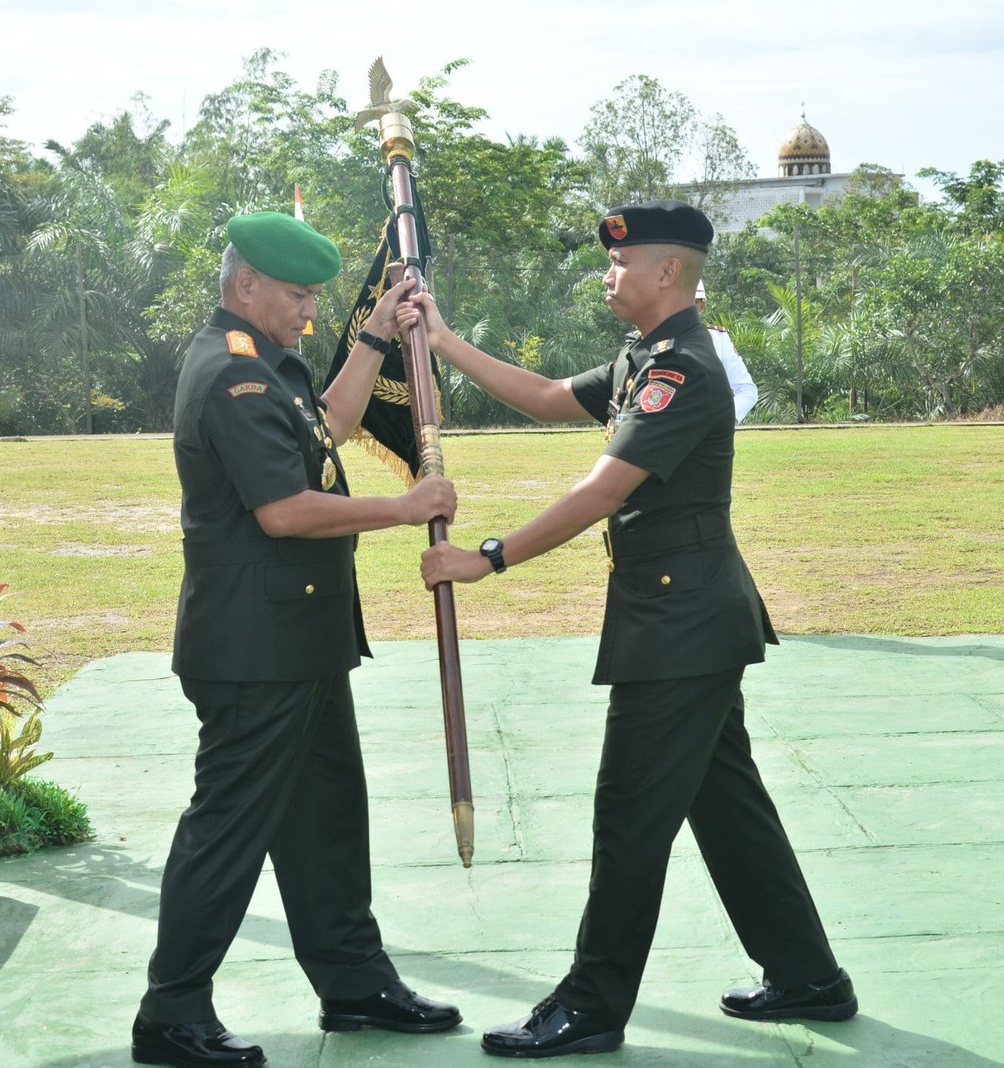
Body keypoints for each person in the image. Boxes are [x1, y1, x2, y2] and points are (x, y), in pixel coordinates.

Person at [401, 200, 854, 1059]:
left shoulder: (682, 369)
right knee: (728, 810)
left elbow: (601, 491)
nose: (606, 276)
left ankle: (592, 1005)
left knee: (629, 819)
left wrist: (486, 558)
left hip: (681, 630)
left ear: (667, 273)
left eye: (620, 263)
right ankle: (810, 978)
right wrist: (444, 340)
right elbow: (541, 398)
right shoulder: (643, 358)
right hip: (685, 620)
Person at [134, 211, 462, 1068]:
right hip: (253, 652)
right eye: (299, 293)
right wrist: (405, 507)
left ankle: (353, 982)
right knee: (231, 828)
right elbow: (283, 511)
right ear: (247, 286)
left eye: (319, 295)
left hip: (298, 641)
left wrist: (378, 334)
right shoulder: (229, 378)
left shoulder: (268, 368)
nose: (312, 310)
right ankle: (171, 1012)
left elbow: (329, 424)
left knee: (326, 819)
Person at [696, 280, 758, 424]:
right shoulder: (648, 338)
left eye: (691, 302)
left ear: (702, 305)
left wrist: (722, 422)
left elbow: (747, 389)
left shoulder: (718, 339)